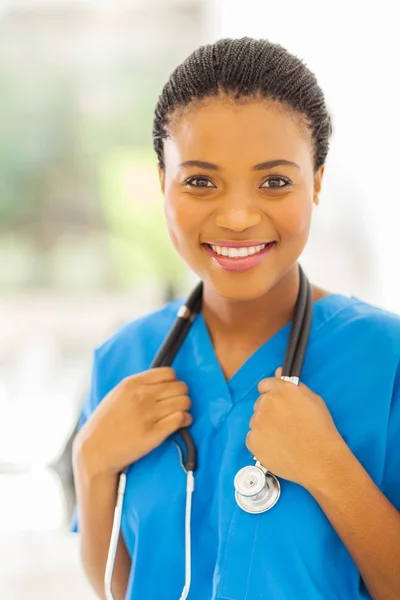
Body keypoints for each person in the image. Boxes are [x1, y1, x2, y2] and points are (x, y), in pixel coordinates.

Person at [71, 37, 400, 600]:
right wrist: (90, 466)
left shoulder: (384, 359)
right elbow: (116, 588)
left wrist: (330, 468)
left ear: (316, 182)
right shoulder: (124, 360)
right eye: (200, 181)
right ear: (161, 185)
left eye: (275, 181)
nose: (239, 216)